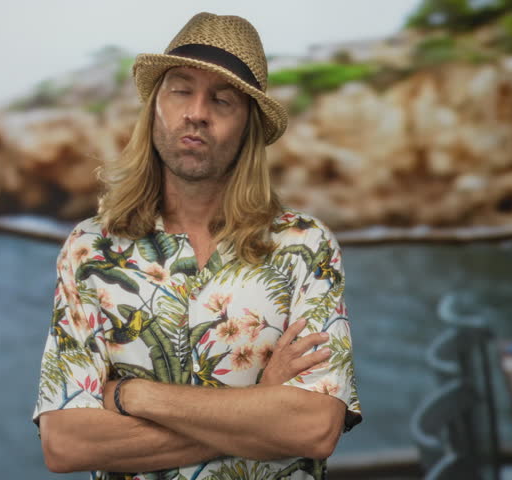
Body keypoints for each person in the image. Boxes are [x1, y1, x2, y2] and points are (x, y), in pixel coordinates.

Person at [33, 12, 362, 480]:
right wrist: (259, 407)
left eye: (223, 100)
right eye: (181, 90)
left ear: (248, 126)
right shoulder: (90, 250)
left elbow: (312, 428)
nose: (197, 112)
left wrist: (131, 396)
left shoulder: (304, 246)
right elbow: (66, 444)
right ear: (155, 106)